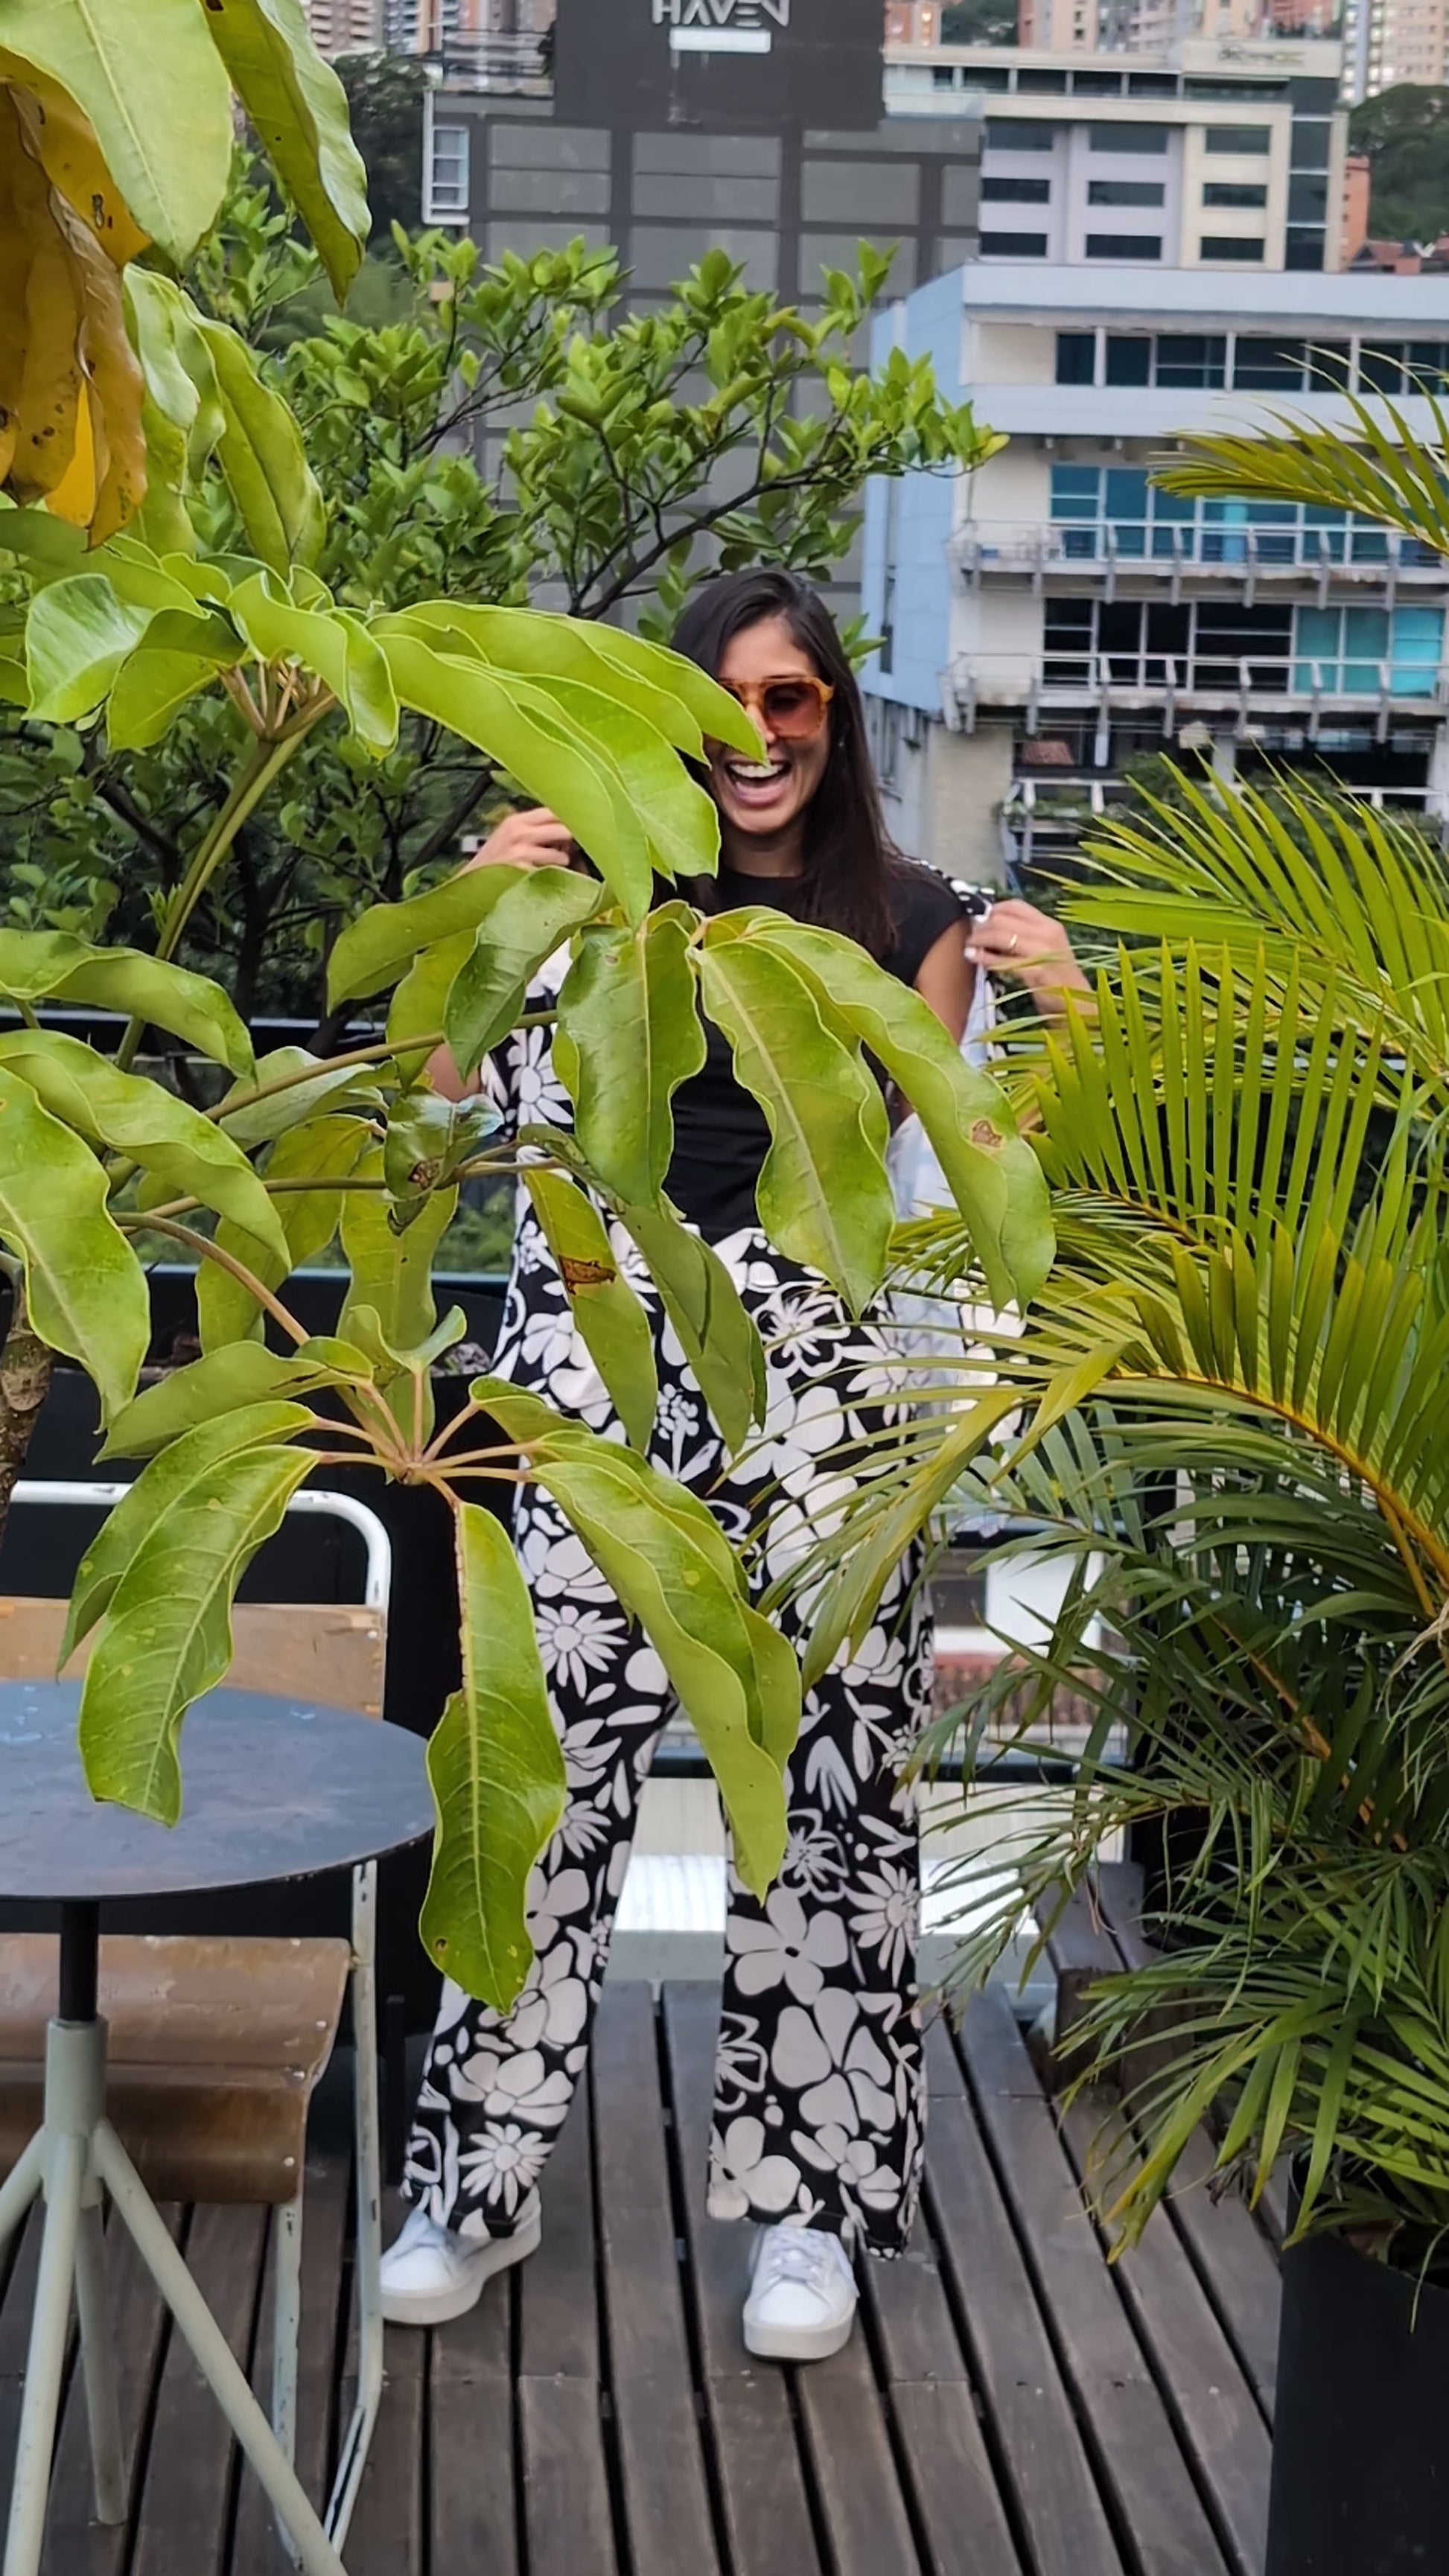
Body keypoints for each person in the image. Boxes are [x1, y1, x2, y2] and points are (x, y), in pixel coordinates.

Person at [380, 567, 1080, 2363]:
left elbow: (976, 1172)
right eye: (730, 701)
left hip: (822, 1393)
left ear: (836, 722)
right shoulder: (584, 879)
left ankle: (808, 2210)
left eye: (797, 701)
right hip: (588, 1363)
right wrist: (480, 909)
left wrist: (1064, 1018)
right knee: (537, 1785)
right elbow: (434, 1107)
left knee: (836, 1801)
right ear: (676, 714)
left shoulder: (910, 915)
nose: (760, 736)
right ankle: (477, 2169)